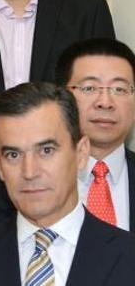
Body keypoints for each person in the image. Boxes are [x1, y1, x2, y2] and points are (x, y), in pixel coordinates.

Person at [0, 82, 135, 285]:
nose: (29, 172)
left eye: (46, 150)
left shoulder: (128, 258)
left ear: (81, 153)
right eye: (13, 155)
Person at [56, 38, 135, 230]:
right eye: (89, 88)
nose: (105, 102)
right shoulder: (30, 176)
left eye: (120, 89)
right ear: (62, 97)